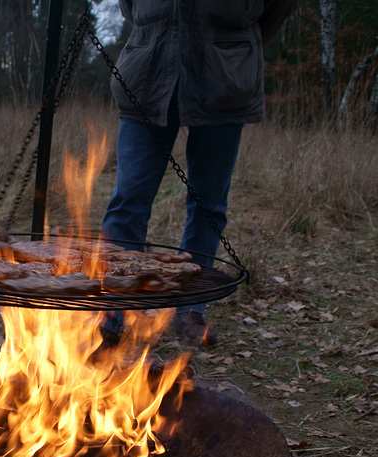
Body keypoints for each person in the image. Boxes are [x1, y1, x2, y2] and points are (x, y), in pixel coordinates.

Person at [101, 0, 296, 346]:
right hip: (148, 72)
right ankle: (112, 308)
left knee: (208, 204)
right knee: (128, 199)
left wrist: (232, 44)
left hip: (223, 77)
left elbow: (276, 8)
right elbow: (131, 7)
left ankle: (190, 308)